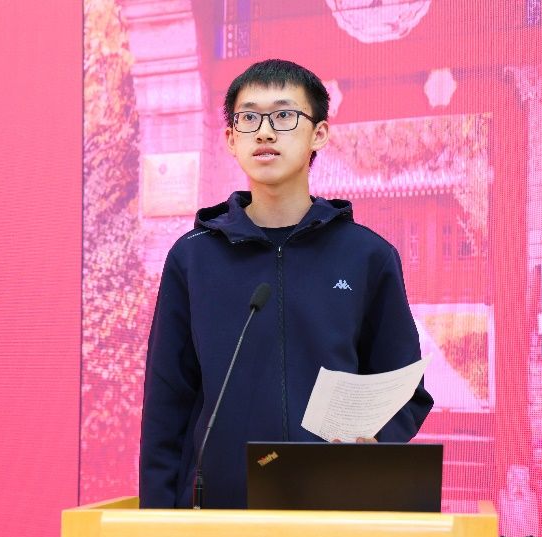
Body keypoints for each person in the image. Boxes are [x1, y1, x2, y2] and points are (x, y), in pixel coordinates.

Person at [139, 59, 434, 509]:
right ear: (230, 139)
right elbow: (166, 403)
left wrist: (375, 443)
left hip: (334, 507)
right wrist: (156, 521)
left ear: (319, 133)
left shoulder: (367, 256)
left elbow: (404, 389)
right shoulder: (193, 258)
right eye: (249, 118)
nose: (264, 132)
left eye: (283, 116)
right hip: (217, 512)